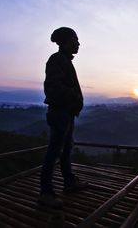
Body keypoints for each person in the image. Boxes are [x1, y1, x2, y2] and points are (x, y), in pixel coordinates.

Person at [39, 27, 88, 208]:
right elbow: (52, 87)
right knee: (54, 151)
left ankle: (69, 182)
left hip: (66, 113)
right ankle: (45, 193)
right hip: (60, 113)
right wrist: (74, 98)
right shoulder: (57, 60)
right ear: (66, 42)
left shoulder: (64, 61)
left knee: (66, 149)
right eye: (75, 40)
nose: (78, 44)